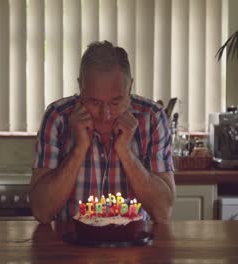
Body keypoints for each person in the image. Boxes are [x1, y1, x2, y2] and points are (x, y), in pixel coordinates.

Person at [29, 40, 175, 224]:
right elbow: (42, 212)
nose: (105, 115)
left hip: (134, 245)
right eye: (95, 103)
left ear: (130, 87)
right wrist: (79, 148)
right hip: (71, 246)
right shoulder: (58, 117)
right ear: (80, 88)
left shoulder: (152, 118)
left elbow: (163, 212)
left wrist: (126, 153)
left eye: (115, 103)